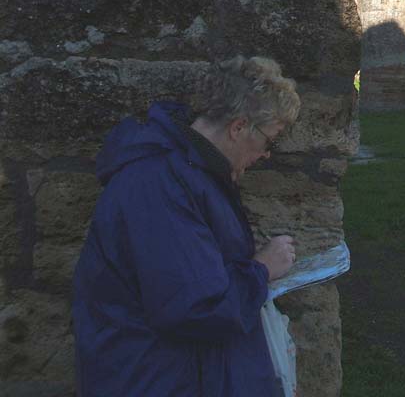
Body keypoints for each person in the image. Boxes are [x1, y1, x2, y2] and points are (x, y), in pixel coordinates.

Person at [72, 56, 301, 397]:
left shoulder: (191, 173)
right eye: (269, 141)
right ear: (239, 128)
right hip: (154, 380)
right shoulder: (159, 183)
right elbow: (196, 308)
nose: (267, 154)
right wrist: (261, 269)